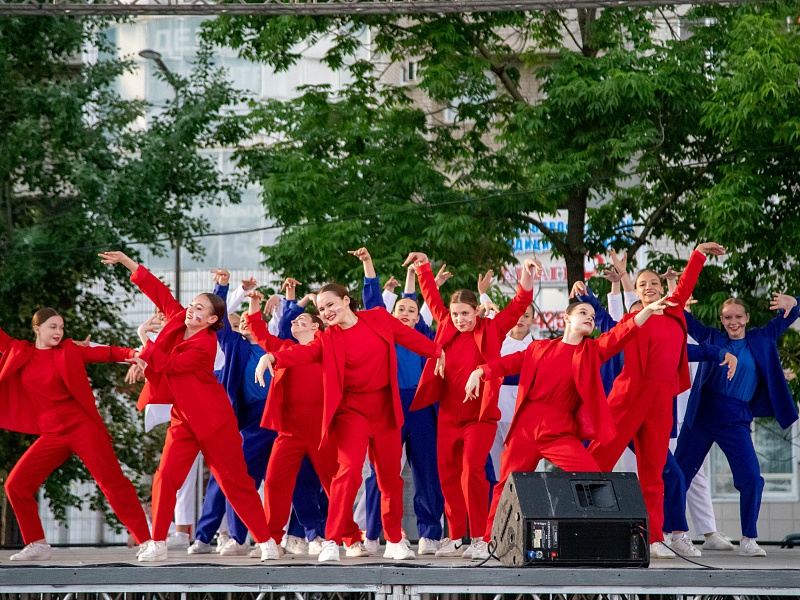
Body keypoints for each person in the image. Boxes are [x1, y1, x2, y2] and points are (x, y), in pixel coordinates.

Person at [98, 251, 276, 562]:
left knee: (235, 484)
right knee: (165, 477)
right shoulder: (178, 318)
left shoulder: (206, 344)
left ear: (212, 320)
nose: (192, 310)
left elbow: (168, 364)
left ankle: (266, 542)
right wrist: (129, 263)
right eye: (193, 304)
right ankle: (158, 542)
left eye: (201, 309)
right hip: (183, 419)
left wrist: (143, 338)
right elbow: (159, 291)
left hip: (214, 421)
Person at [255, 281, 445, 562]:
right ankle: (332, 540)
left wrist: (437, 352)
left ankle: (393, 540)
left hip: (385, 410)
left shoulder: (378, 318)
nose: (327, 311)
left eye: (330, 304)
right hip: (351, 412)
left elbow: (407, 336)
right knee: (348, 472)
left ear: (346, 301)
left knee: (390, 479)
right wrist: (272, 357)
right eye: (321, 309)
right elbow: (303, 352)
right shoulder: (328, 337)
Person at [466, 295, 674, 541]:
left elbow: (620, 334)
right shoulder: (538, 348)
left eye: (592, 317)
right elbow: (508, 363)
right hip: (525, 427)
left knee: (593, 478)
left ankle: (601, 540)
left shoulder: (591, 351)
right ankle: (491, 540)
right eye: (583, 313)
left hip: (559, 430)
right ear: (566, 318)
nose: (589, 318)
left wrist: (647, 311)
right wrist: (480, 371)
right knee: (507, 484)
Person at [586, 242, 725, 559]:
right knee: (596, 458)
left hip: (662, 398)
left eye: (654, 283)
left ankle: (654, 537)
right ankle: (571, 518)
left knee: (654, 472)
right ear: (634, 292)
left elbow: (686, 283)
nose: (648, 288)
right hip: (630, 394)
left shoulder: (675, 311)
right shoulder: (634, 317)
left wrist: (698, 253)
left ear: (663, 288)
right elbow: (609, 340)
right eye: (642, 284)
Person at [403, 251, 539, 560]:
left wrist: (527, 274)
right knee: (447, 474)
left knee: (471, 472)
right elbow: (432, 297)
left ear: (476, 311)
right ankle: (454, 536)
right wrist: (424, 265)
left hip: (479, 417)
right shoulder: (445, 325)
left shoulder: (492, 329)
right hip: (449, 415)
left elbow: (518, 304)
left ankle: (479, 537)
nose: (460, 319)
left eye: (466, 313)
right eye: (455, 314)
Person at [0, 308, 151, 561]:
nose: (59, 332)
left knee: (112, 482)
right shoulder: (19, 350)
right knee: (16, 485)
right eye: (53, 327)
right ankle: (37, 543)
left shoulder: (70, 350)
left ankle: (147, 541)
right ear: (36, 328)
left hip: (82, 426)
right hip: (51, 432)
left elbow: (108, 352)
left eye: (61, 327)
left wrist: (136, 355)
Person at [673, 293, 800, 557]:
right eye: (728, 317)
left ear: (747, 319)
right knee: (678, 475)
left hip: (736, 417)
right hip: (703, 414)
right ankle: (673, 534)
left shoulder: (760, 339)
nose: (733, 322)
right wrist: (678, 296)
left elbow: (789, 314)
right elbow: (681, 319)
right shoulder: (712, 338)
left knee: (752, 478)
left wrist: (795, 302)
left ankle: (748, 539)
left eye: (738, 317)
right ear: (721, 320)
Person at [246, 289, 365, 559]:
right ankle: (272, 541)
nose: (294, 323)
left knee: (336, 483)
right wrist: (255, 303)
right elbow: (260, 334)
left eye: (302, 320)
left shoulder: (329, 346)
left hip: (324, 429)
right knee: (275, 482)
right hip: (290, 429)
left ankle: (351, 537)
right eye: (292, 321)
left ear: (316, 326)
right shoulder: (285, 349)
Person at [355, 250, 445, 555]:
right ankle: (372, 533)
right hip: (389, 410)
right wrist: (369, 264)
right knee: (381, 474)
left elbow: (423, 302)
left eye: (411, 310)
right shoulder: (384, 334)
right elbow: (374, 304)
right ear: (392, 316)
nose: (405, 313)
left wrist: (419, 275)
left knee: (427, 473)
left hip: (421, 410)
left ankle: (430, 535)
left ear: (420, 319)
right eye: (401, 310)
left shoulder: (423, 335)